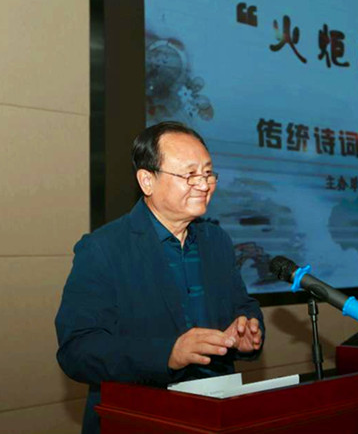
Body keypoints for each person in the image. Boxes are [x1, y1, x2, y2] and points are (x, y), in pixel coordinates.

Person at [55, 121, 264, 434]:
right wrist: (169, 353)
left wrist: (247, 330)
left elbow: (243, 306)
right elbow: (78, 351)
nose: (204, 185)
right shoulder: (103, 248)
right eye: (190, 175)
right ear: (147, 181)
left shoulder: (216, 240)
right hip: (138, 419)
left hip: (215, 416)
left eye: (208, 173)